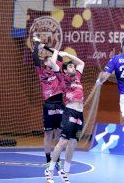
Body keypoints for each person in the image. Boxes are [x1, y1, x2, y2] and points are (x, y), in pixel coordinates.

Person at [45, 50, 85, 183]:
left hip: (80, 114)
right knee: (63, 142)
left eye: (73, 66)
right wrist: (56, 52)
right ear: (65, 70)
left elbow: (81, 62)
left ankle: (65, 173)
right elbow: (52, 62)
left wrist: (69, 55)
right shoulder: (62, 78)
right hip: (70, 111)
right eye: (70, 66)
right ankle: (49, 171)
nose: (73, 67)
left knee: (73, 143)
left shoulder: (78, 76)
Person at [32, 37, 63, 169]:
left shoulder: (57, 67)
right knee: (48, 134)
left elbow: (58, 55)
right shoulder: (41, 72)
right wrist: (37, 44)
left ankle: (57, 158)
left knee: (59, 133)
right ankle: (48, 159)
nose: (51, 59)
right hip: (49, 105)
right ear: (45, 63)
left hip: (60, 104)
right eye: (49, 59)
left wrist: (45, 46)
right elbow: (35, 57)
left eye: (52, 58)